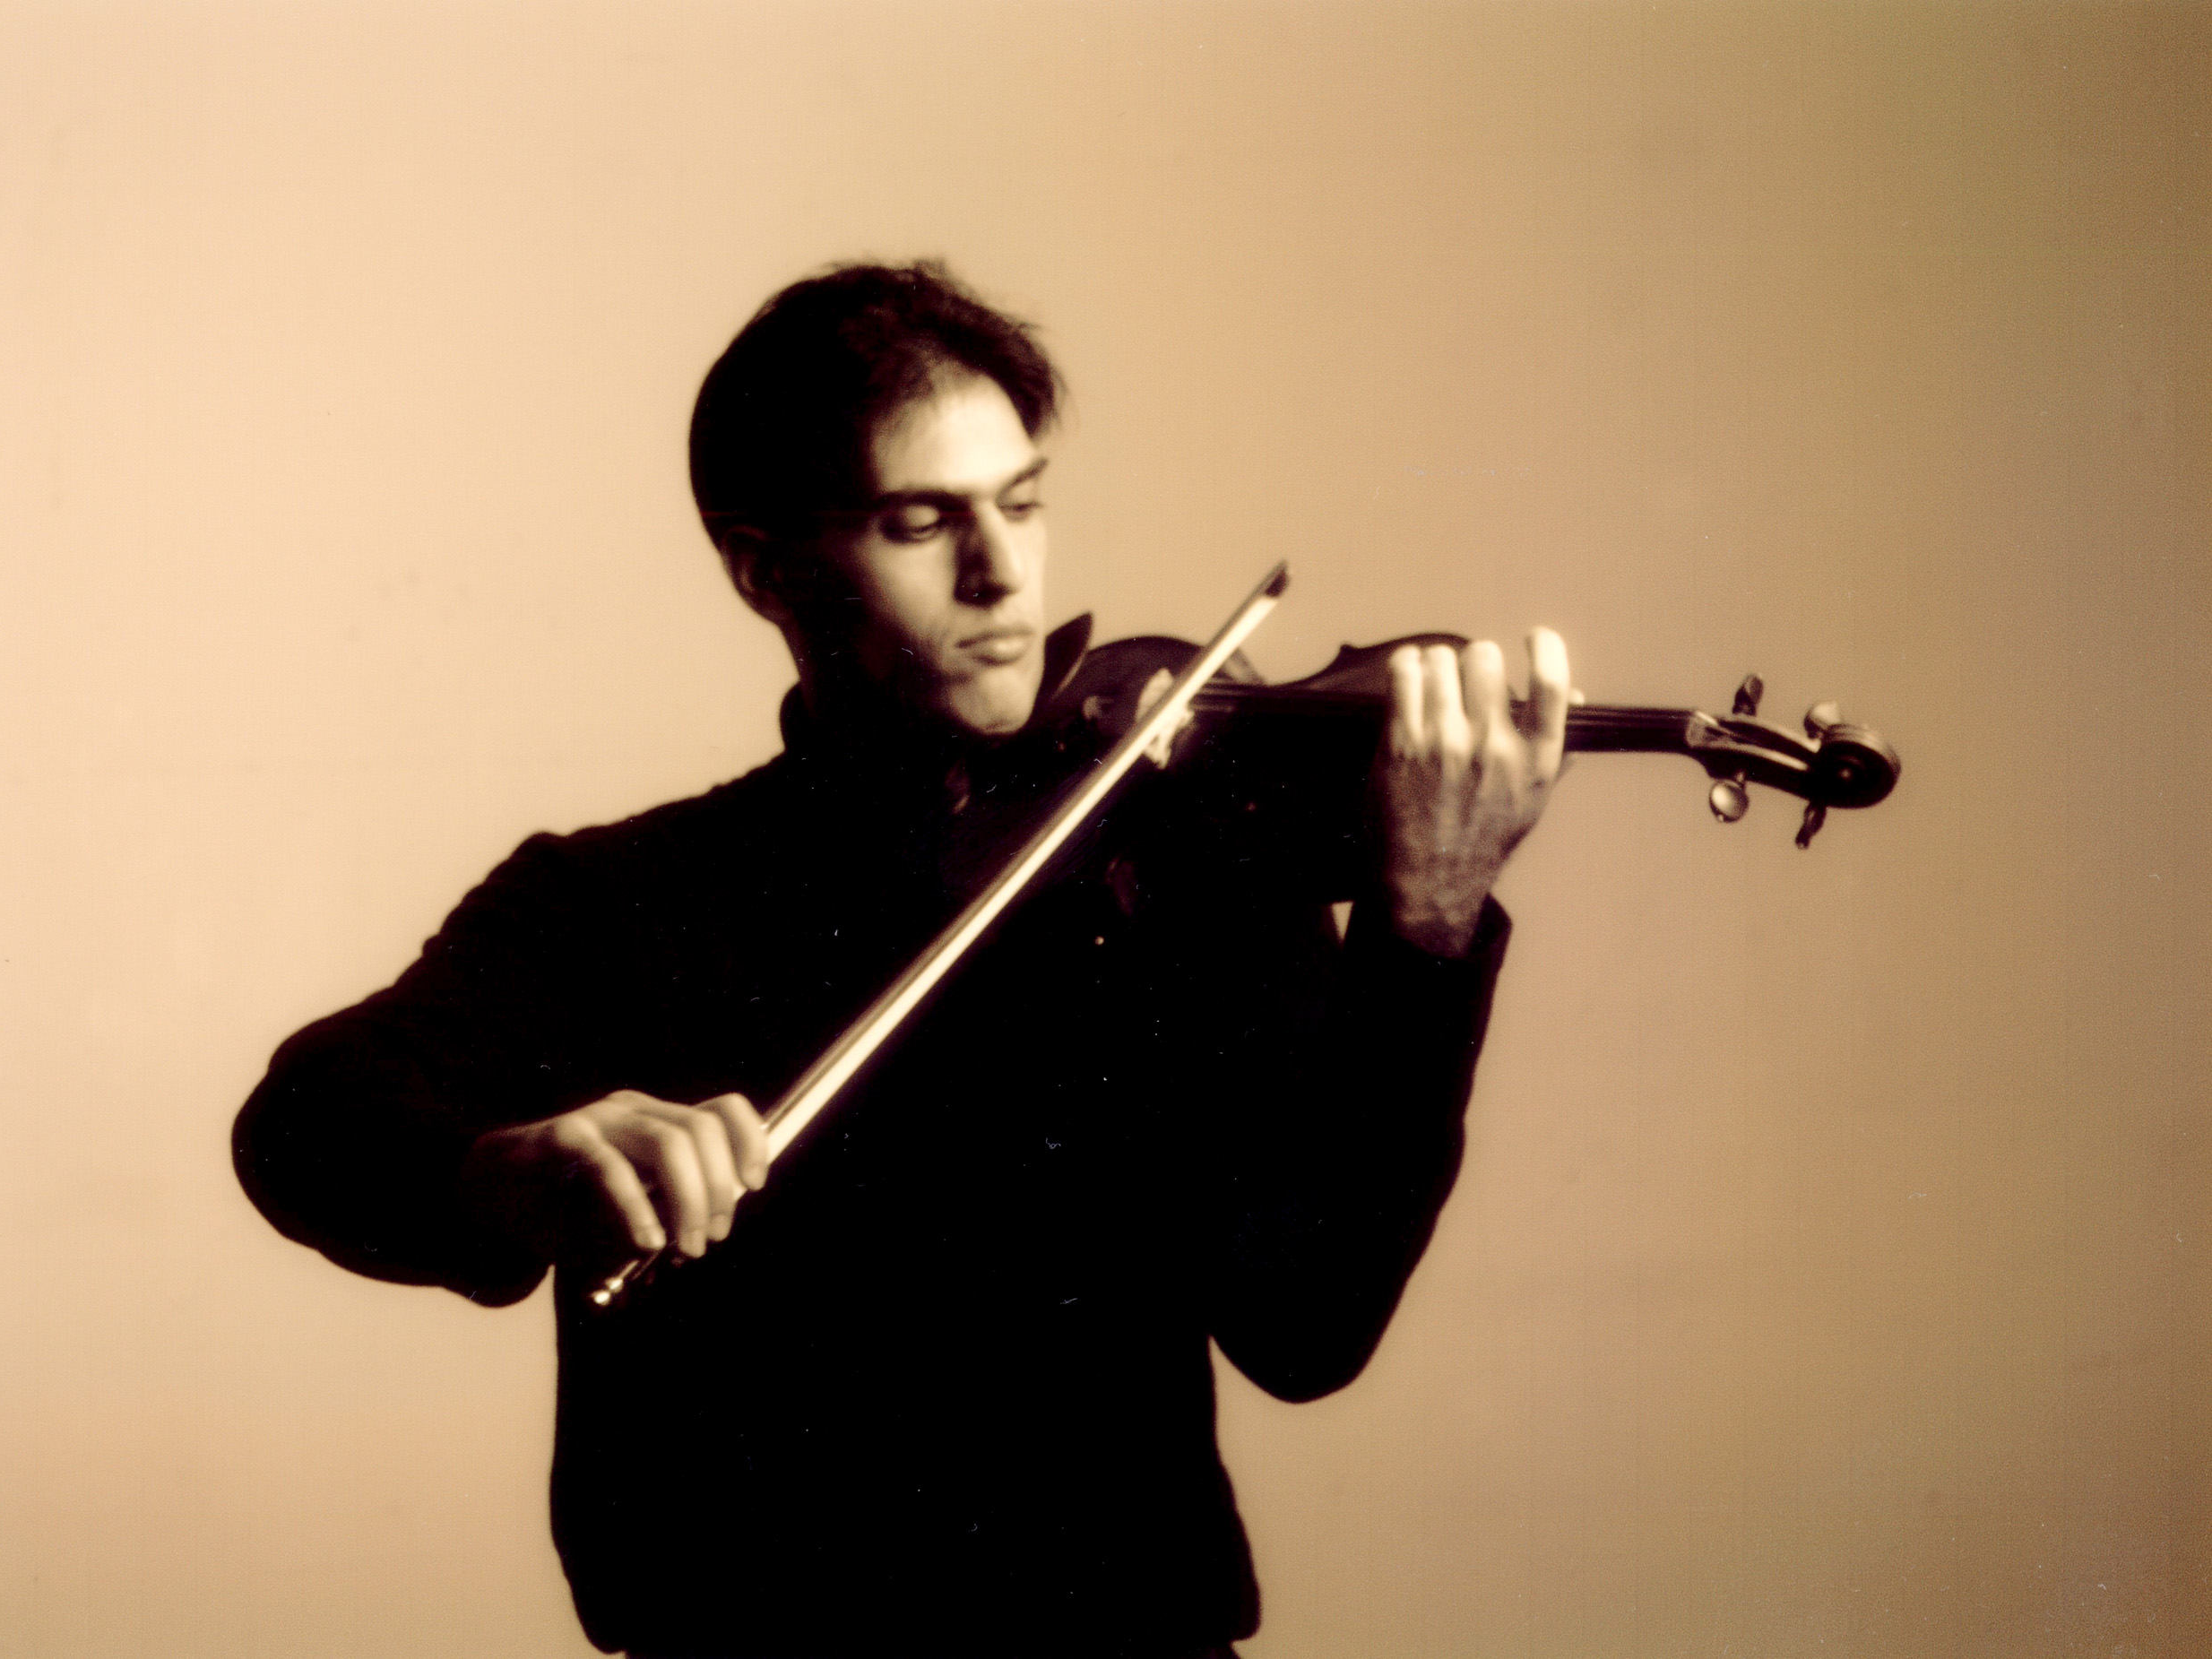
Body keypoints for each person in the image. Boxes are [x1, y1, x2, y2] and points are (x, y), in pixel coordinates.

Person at [233, 261, 1570, 1659]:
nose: (998, 574)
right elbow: (302, 1121)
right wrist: (500, 1173)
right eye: (919, 521)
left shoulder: (1174, 866)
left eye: (1021, 503)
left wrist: (1424, 926)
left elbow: (1308, 1324)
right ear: (764, 568)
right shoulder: (615, 899)